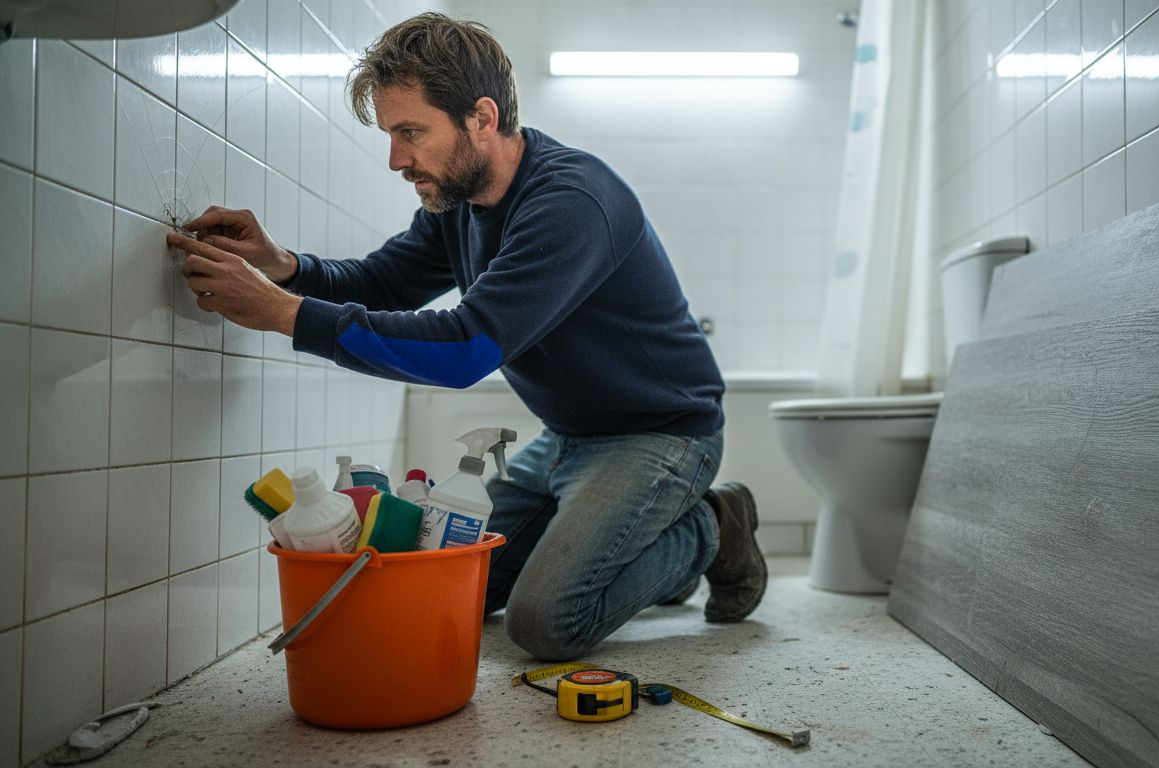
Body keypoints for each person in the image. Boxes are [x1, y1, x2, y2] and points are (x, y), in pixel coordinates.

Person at [166, 12, 767, 661]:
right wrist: (284, 266)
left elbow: (466, 349)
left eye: (410, 132)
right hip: (569, 437)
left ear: (482, 117)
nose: (397, 158)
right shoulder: (459, 206)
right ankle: (630, 543)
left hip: (661, 434)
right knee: (455, 582)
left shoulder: (571, 202)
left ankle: (714, 523)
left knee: (545, 622)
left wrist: (285, 313)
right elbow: (385, 282)